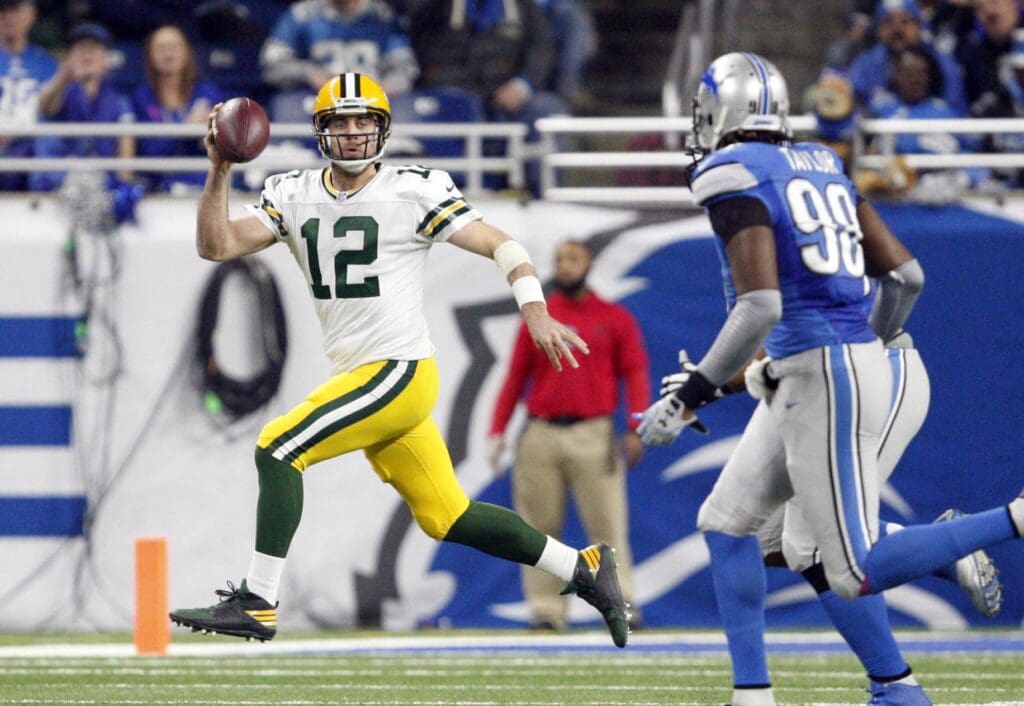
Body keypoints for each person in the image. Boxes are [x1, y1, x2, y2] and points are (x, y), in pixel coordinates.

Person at [167, 72, 631, 649]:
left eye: (365, 120)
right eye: (342, 121)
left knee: (279, 447)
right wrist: (220, 168)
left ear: (383, 128)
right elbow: (217, 245)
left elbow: (502, 244)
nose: (355, 132)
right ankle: (582, 566)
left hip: (397, 370)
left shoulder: (415, 189)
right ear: (322, 132)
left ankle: (259, 600)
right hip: (364, 375)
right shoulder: (292, 190)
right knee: (448, 516)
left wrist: (534, 309)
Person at [636, 52, 1024, 706]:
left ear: (720, 114)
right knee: (729, 522)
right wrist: (842, 347)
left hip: (840, 370)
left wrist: (695, 392)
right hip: (827, 362)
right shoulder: (822, 162)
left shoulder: (730, 172)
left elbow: (761, 307)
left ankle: (1000, 526)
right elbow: (905, 279)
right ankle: (759, 694)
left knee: (843, 565)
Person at [487, 239, 650, 631]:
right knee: (539, 529)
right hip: (540, 433)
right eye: (560, 259)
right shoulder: (541, 318)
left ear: (589, 263)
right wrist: (497, 429)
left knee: (607, 527)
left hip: (593, 432)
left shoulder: (613, 317)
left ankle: (622, 603)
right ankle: (546, 611)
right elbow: (515, 377)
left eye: (573, 258)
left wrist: (636, 425)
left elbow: (636, 373)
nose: (566, 266)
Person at [259, 0, 418, 122]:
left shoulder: (383, 16)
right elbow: (271, 64)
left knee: (408, 109)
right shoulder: (302, 15)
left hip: (372, 105)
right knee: (288, 105)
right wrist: (309, 73)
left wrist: (385, 88)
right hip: (316, 104)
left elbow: (406, 67)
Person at [31, 22, 134, 191]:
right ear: (69, 57)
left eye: (94, 49)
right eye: (80, 49)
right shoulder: (60, 89)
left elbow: (126, 147)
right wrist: (64, 77)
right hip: (56, 186)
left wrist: (123, 187)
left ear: (106, 59)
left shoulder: (119, 100)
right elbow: (45, 106)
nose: (87, 54)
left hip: (101, 187)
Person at [132, 24, 222, 193]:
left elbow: (219, 146)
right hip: (157, 186)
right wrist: (186, 128)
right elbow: (150, 152)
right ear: (150, 54)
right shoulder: (141, 97)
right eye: (161, 48)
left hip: (202, 183)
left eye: (175, 47)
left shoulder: (207, 92)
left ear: (187, 52)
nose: (168, 53)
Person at [848, 0, 967, 115]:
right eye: (888, 21)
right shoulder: (865, 65)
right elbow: (854, 107)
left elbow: (956, 112)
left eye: (905, 21)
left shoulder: (942, 64)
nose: (897, 29)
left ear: (919, 27)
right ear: (879, 30)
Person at [0, 0, 57, 191]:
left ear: (31, 14)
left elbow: (56, 112)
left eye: (15, 10)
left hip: (30, 152)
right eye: (3, 10)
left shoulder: (47, 64)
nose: (8, 17)